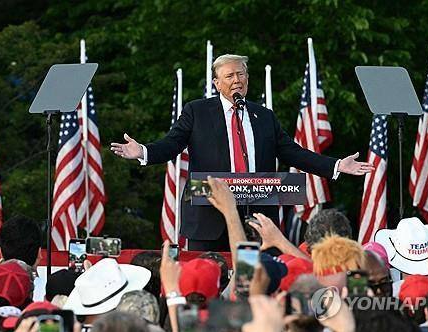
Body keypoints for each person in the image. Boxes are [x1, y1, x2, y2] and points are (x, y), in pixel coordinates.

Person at [111, 54, 373, 251]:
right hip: (208, 216)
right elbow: (172, 144)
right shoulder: (197, 111)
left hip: (256, 218)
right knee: (211, 281)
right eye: (229, 76)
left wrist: (336, 166)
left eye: (241, 74)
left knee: (254, 282)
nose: (236, 80)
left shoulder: (264, 116)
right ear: (217, 83)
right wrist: (143, 151)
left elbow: (293, 153)